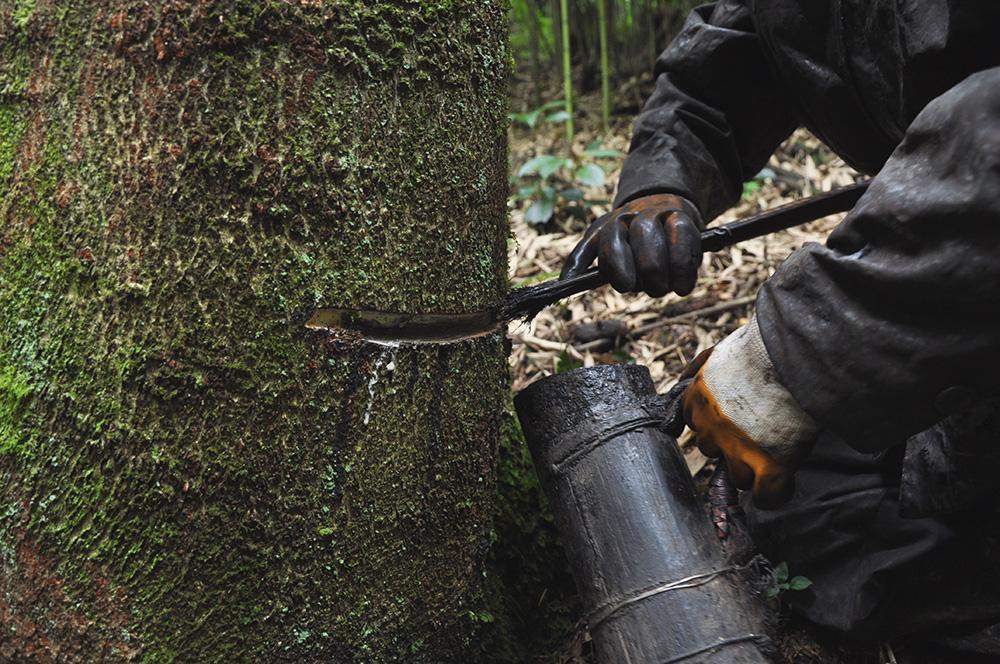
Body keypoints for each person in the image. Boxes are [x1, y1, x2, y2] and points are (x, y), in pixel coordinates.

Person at [560, 0, 1000, 656]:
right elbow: (735, 47)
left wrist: (800, 352)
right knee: (803, 494)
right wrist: (663, 179)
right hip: (960, 300)